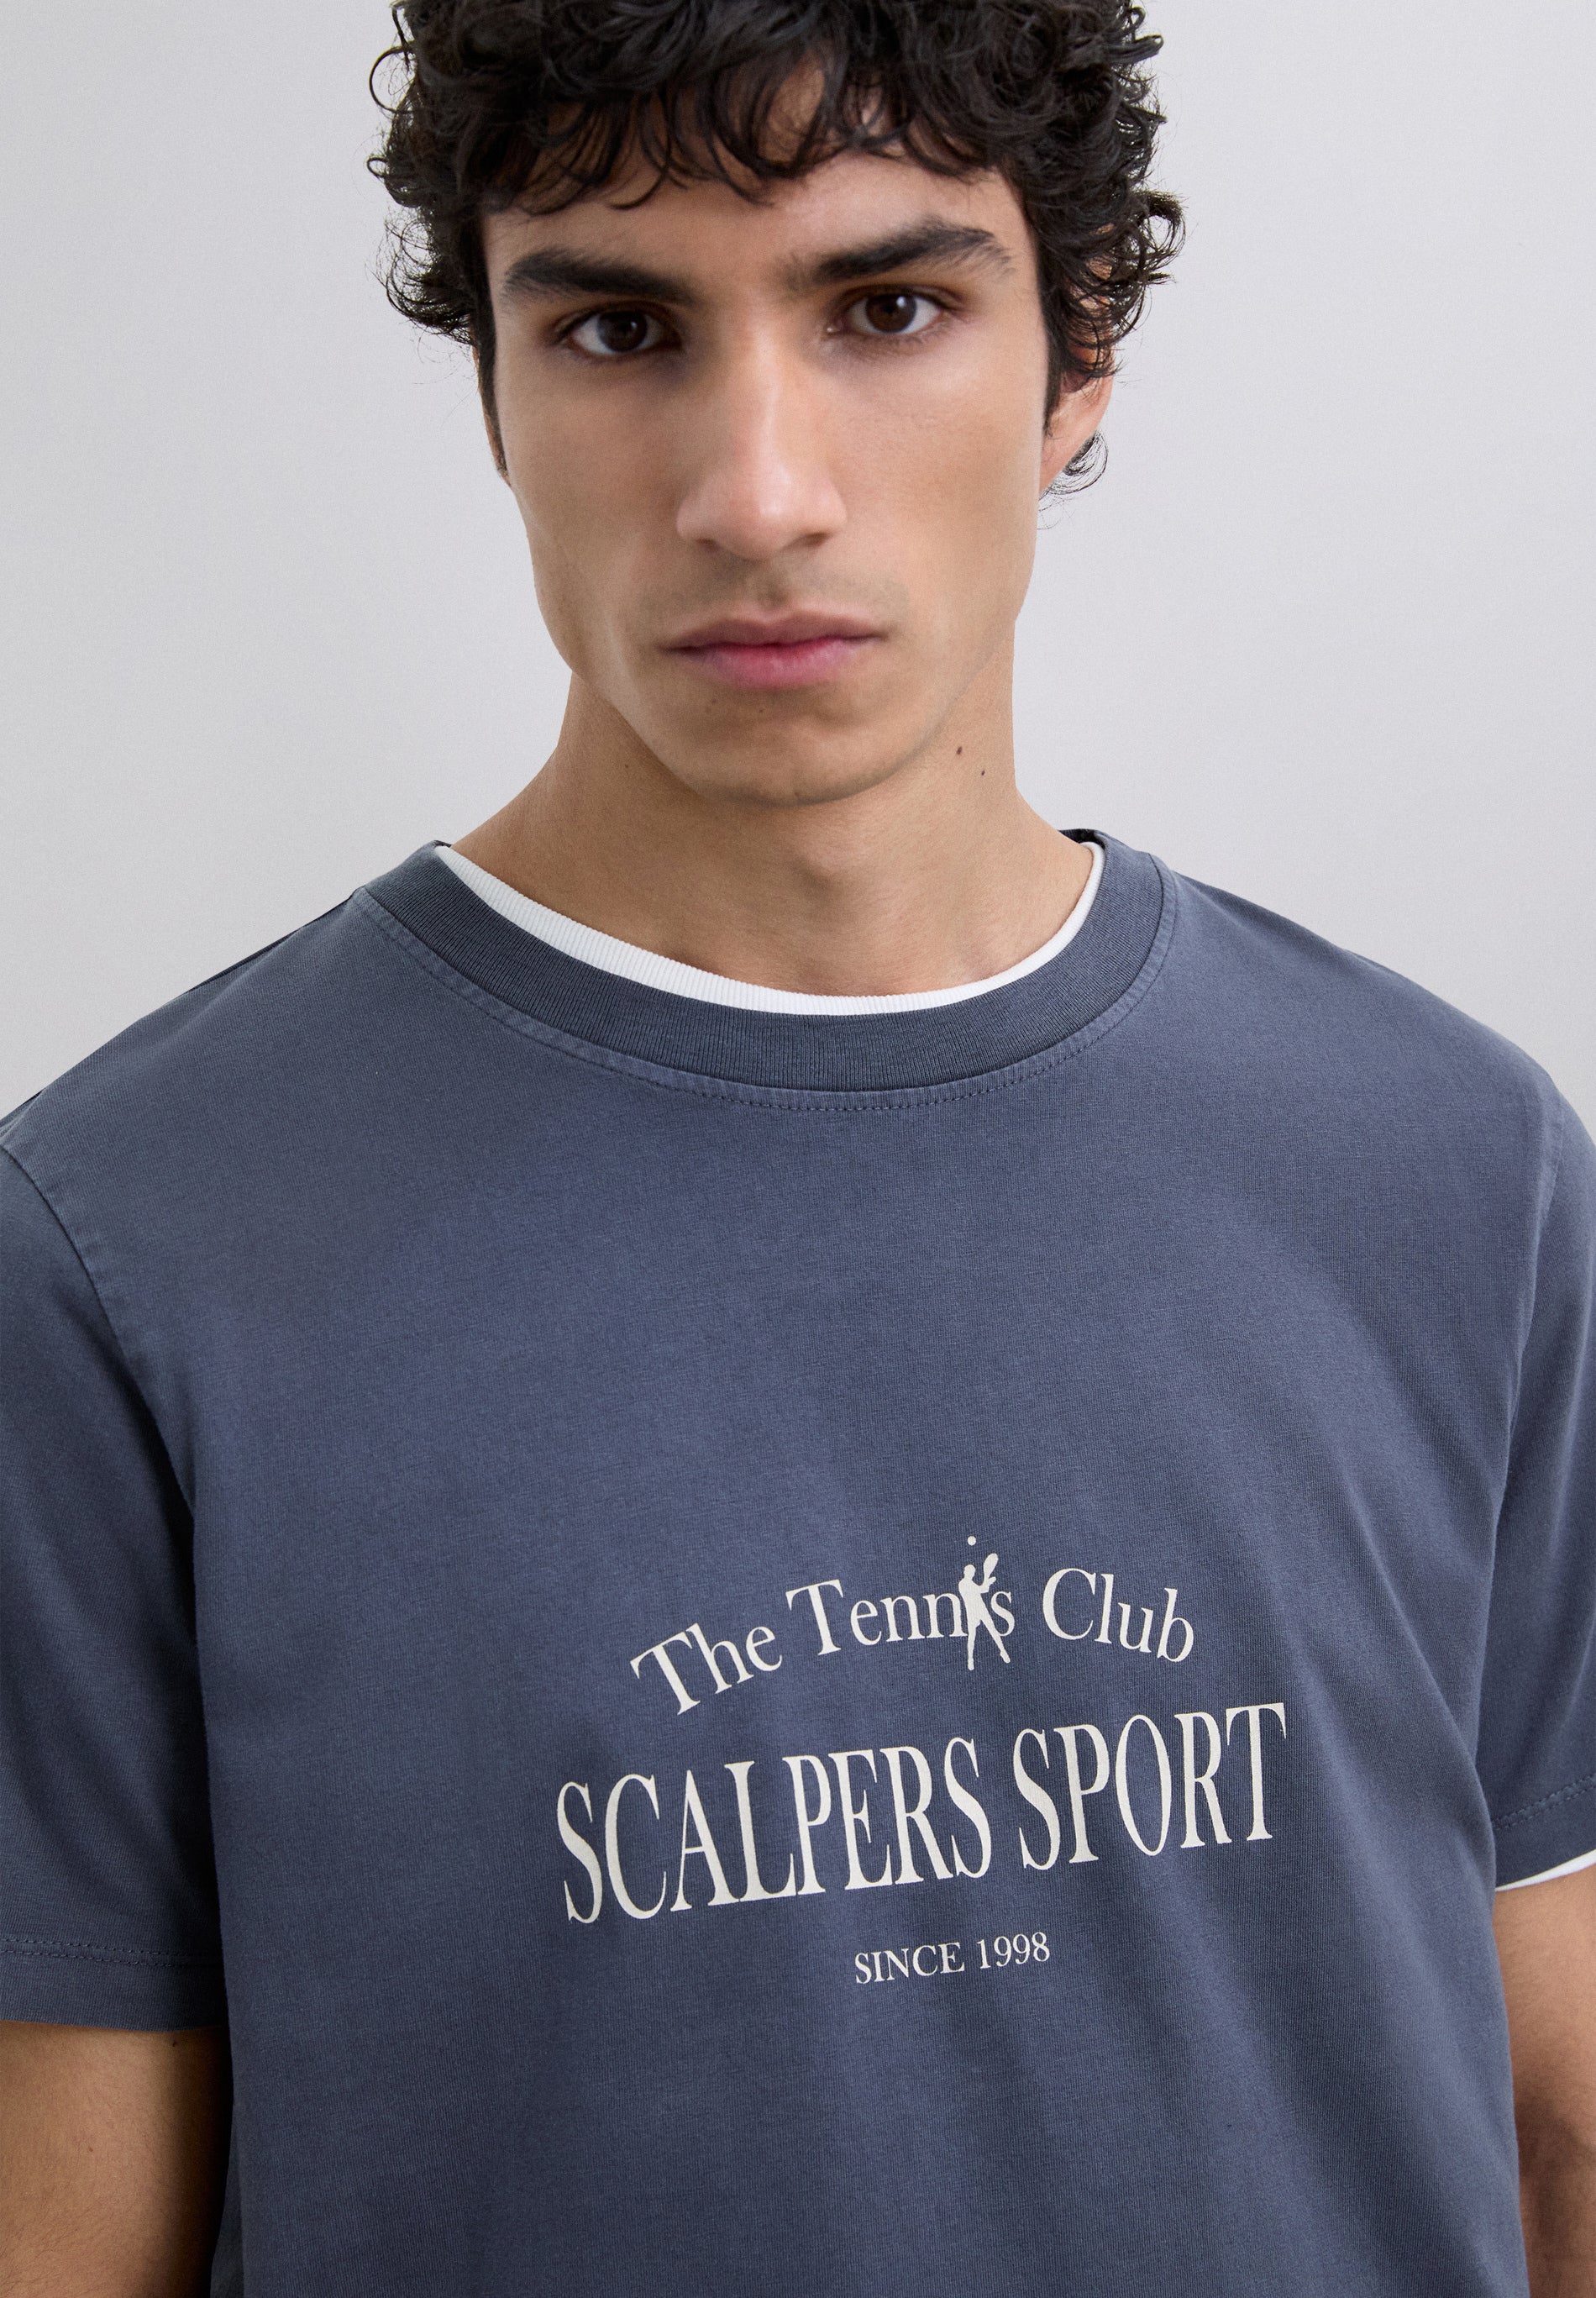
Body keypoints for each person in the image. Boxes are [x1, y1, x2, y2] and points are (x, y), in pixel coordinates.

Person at [2, 3, 1592, 2290]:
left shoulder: (1453, 1169)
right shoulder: (122, 1257)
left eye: (888, 307)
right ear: (495, 393)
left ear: (1080, 352)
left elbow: (1561, 2126)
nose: (756, 494)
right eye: (619, 329)